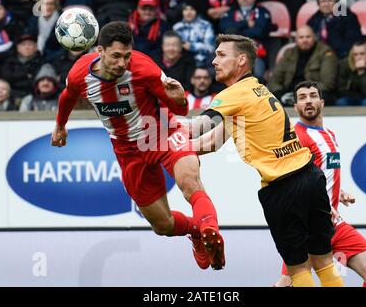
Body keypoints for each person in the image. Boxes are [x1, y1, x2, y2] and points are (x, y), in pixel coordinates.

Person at [50, 21, 225, 271]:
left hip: (162, 133)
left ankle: (211, 231)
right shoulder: (80, 75)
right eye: (116, 56)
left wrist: (178, 98)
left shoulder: (144, 68)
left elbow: (180, 108)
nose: (122, 63)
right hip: (128, 151)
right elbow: (68, 95)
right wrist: (60, 124)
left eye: (127, 56)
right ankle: (197, 231)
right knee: (162, 226)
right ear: (99, 51)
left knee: (191, 183)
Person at [182, 34, 344, 286]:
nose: (214, 61)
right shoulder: (256, 90)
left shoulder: (233, 95)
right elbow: (212, 143)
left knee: (298, 270)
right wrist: (176, 151)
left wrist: (156, 133)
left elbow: (198, 128)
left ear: (241, 60)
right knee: (324, 262)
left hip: (283, 187)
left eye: (221, 55)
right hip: (310, 178)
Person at [273, 81, 366, 287]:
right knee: (286, 283)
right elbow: (290, 182)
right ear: (296, 106)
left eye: (312, 95)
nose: (308, 100)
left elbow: (322, 171)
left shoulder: (329, 134)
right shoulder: (297, 138)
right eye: (302, 97)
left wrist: (338, 190)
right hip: (307, 225)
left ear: (322, 102)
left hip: (332, 224)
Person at [268, 25, 338, 106]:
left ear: (314, 37)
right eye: (301, 37)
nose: (305, 40)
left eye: (308, 37)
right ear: (296, 39)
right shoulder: (289, 53)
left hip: (313, 94)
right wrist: (281, 94)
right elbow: (274, 80)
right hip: (289, 94)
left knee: (325, 97)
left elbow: (328, 84)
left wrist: (304, 93)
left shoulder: (325, 53)